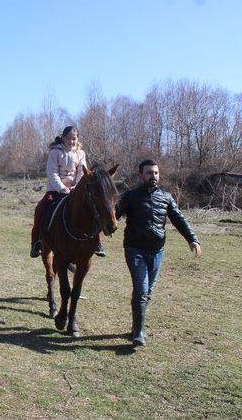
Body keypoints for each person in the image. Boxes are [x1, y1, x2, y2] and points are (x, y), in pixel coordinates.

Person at [116, 159, 201, 347]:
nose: (153, 176)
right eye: (148, 173)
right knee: (142, 290)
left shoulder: (166, 197)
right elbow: (113, 216)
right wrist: (102, 230)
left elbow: (179, 218)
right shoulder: (130, 196)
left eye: (155, 173)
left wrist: (192, 239)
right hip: (135, 250)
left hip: (157, 252)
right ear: (141, 175)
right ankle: (139, 333)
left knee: (147, 292)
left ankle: (135, 327)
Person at [30, 126, 105, 258]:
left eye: (74, 139)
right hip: (55, 190)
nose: (71, 141)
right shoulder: (55, 152)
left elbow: (83, 173)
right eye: (69, 138)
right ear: (64, 138)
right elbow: (52, 172)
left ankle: (97, 243)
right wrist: (61, 188)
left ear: (77, 139)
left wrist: (75, 188)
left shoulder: (81, 153)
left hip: (76, 190)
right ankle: (36, 243)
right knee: (40, 210)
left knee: (93, 209)